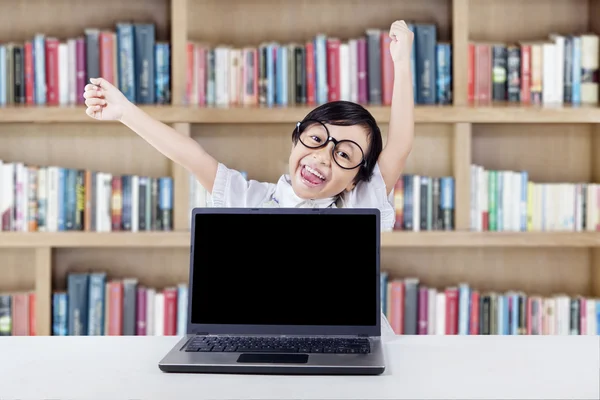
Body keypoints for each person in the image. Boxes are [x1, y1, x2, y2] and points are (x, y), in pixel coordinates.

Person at [83, 20, 414, 336]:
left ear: (357, 178)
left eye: (344, 154)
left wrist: (401, 63)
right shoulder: (248, 199)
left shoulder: (358, 204)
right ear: (297, 137)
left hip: (351, 338)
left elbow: (399, 144)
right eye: (316, 139)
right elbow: (190, 154)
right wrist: (125, 112)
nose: (322, 157)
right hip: (260, 338)